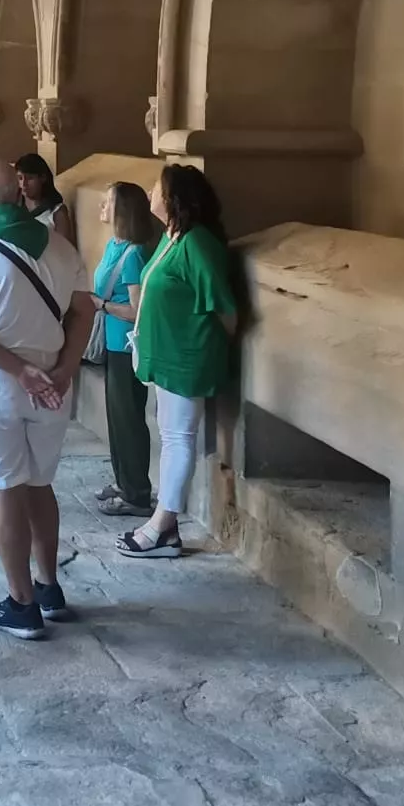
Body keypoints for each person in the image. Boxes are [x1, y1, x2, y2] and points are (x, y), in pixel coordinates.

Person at [0, 160, 94, 639]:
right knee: (39, 485)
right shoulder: (60, 246)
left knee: (5, 489)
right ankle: (49, 586)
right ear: (18, 194)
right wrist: (65, 369)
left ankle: (20, 602)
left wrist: (18, 370)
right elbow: (84, 311)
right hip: (52, 383)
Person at [119, 163, 235, 561]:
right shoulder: (173, 237)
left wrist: (207, 346)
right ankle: (163, 524)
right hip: (168, 356)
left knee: (179, 439)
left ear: (174, 199)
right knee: (170, 437)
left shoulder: (197, 243)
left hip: (186, 358)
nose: (151, 191)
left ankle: (163, 526)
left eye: (158, 187)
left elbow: (224, 309)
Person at [94, 181, 160, 519]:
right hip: (112, 341)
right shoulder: (114, 245)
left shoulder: (133, 254)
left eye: (108, 202)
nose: (102, 207)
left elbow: (138, 310)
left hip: (125, 344)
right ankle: (124, 481)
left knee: (129, 419)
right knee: (117, 419)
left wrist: (103, 306)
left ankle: (137, 492)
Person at [16, 152, 77, 242]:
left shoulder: (56, 212)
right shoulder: (14, 207)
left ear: (43, 178)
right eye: (20, 178)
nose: (23, 184)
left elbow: (64, 246)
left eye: (30, 178)